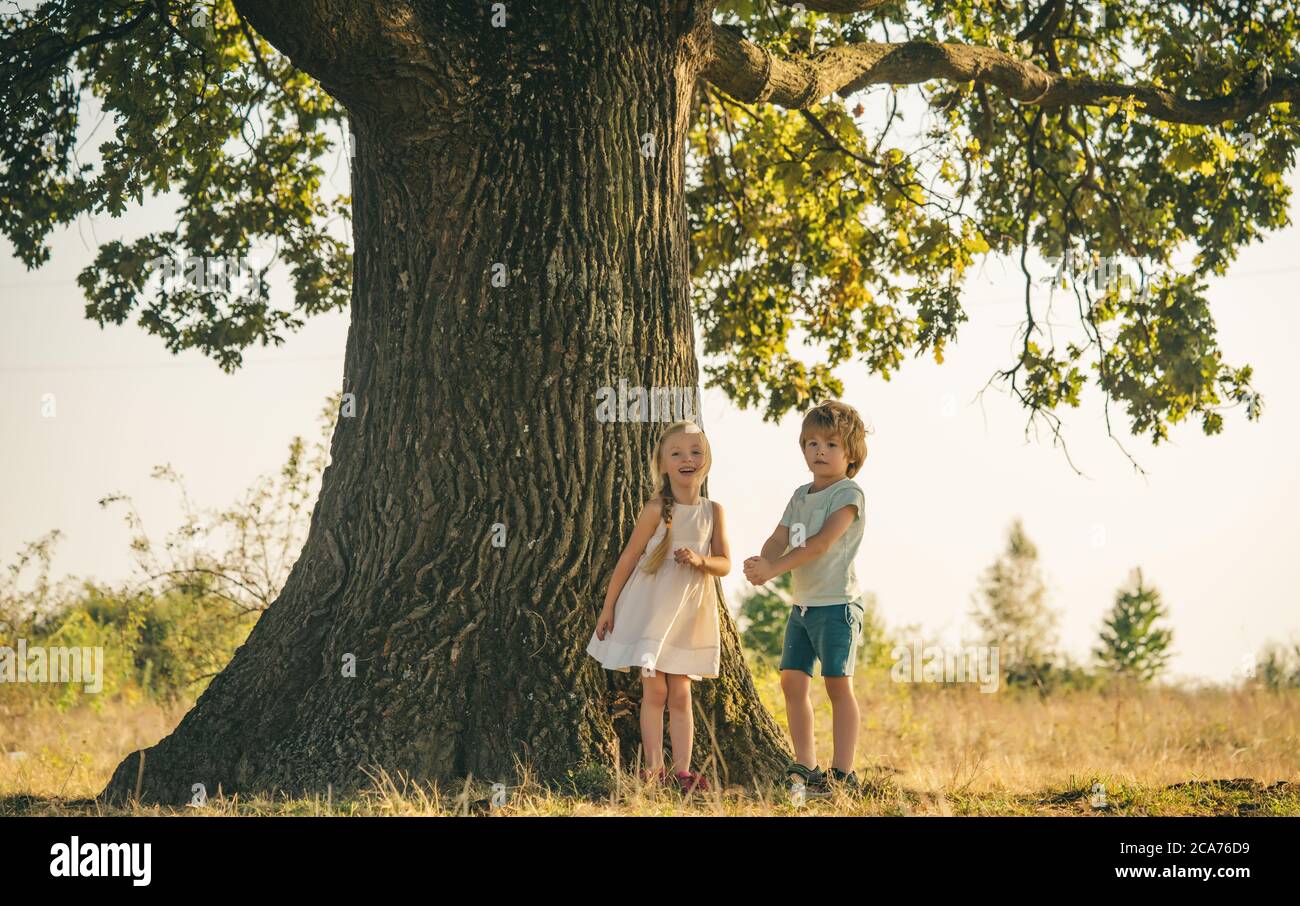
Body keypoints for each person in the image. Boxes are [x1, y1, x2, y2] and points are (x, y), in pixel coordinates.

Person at [587, 420, 730, 793]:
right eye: (677, 453)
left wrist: (700, 561)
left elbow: (724, 564)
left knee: (681, 693)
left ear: (707, 459)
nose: (687, 459)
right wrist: (608, 608)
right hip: (651, 610)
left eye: (695, 452)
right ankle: (653, 769)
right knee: (656, 692)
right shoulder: (657, 508)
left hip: (687, 615)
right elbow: (629, 558)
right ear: (663, 464)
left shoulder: (713, 511)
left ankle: (682, 771)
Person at [744, 399, 869, 797]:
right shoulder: (800, 495)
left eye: (831, 445)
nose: (820, 451)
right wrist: (763, 562)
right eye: (812, 443)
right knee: (791, 681)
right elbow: (781, 536)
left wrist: (775, 570)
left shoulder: (848, 493)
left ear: (851, 455)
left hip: (836, 606)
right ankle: (807, 765)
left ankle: (843, 773)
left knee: (837, 684)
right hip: (802, 606)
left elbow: (819, 545)